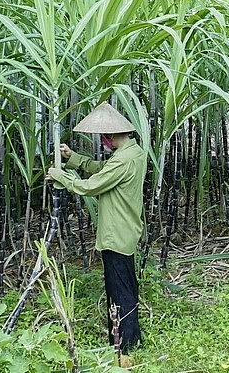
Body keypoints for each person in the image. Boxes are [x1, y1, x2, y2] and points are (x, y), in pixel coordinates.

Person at [46, 102, 146, 360]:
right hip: (127, 230)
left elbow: (91, 186)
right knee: (127, 286)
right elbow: (103, 171)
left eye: (104, 138)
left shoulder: (122, 161)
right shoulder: (134, 153)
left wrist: (61, 176)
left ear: (111, 136)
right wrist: (73, 158)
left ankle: (123, 346)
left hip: (115, 234)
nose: (103, 142)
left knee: (119, 291)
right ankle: (132, 338)